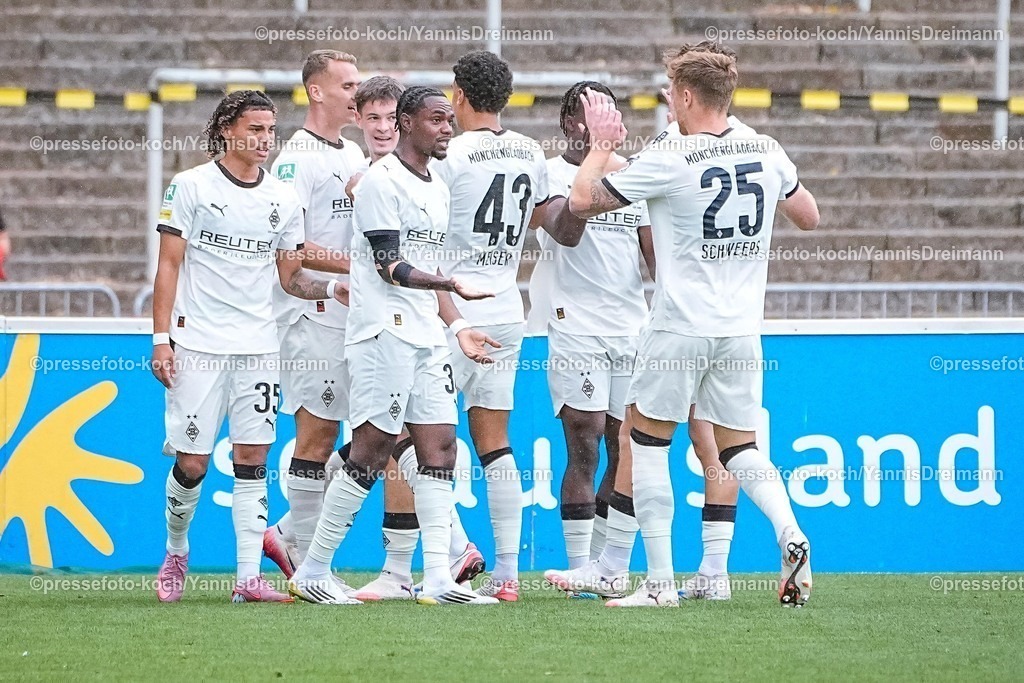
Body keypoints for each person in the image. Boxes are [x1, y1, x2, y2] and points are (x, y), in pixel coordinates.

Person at [567, 44, 819, 607]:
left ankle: (658, 586)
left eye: (672, 93)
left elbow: (582, 200)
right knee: (740, 448)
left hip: (680, 325)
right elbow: (808, 216)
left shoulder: (671, 157)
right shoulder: (766, 148)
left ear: (682, 96)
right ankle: (789, 531)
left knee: (647, 443)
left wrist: (603, 146)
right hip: (740, 329)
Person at [365, 51, 588, 603]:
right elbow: (548, 218)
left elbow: (407, 200)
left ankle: (420, 562)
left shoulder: (450, 153)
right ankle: (508, 576)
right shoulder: (529, 151)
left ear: (458, 95)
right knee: (495, 446)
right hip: (508, 305)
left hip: (451, 308)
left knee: (397, 436)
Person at [287, 86, 501, 606]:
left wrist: (457, 326)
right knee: (371, 450)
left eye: (451, 119)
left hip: (426, 332)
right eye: (436, 120)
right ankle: (312, 570)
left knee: (440, 448)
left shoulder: (437, 185)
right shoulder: (381, 183)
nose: (448, 128)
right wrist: (448, 287)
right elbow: (390, 265)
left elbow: (431, 263)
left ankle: (439, 581)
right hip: (382, 331)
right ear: (407, 123)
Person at [152, 90, 350, 603]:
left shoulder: (281, 199)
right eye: (254, 129)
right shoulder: (190, 185)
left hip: (259, 346)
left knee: (252, 458)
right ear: (226, 130)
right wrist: (161, 338)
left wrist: (332, 287)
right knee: (192, 463)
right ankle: (177, 547)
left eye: (270, 130)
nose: (265, 140)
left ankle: (247, 580)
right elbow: (169, 265)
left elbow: (290, 277)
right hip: (198, 344)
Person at [261, 50, 366, 590]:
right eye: (347, 84)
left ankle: (286, 532)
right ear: (316, 91)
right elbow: (292, 249)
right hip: (312, 315)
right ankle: (307, 567)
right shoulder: (295, 159)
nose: (357, 92)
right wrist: (359, 264)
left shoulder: (354, 153)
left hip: (355, 317)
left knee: (377, 436)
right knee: (318, 437)